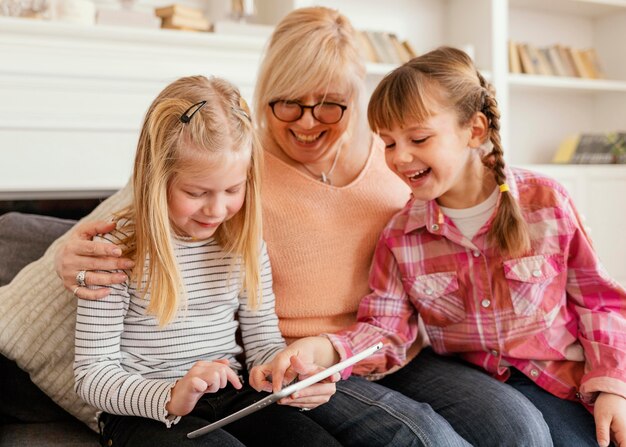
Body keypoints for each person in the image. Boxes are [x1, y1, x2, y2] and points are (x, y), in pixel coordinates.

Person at [57, 8, 551, 447]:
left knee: (517, 428)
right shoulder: (231, 166)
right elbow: (140, 216)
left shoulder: (396, 161)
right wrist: (68, 259)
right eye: (287, 103)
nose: (308, 122)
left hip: (384, 348)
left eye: (330, 104)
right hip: (292, 363)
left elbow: (468, 221)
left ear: (355, 99)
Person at [262, 46, 626, 447]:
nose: (400, 158)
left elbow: (599, 303)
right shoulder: (402, 234)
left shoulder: (546, 202)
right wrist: (321, 349)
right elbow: (386, 331)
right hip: (480, 385)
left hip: (568, 381)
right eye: (388, 143)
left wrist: (613, 386)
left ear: (475, 130)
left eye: (418, 138)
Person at [73, 75, 344, 447]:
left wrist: (290, 376)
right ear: (157, 178)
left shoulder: (243, 244)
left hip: (233, 397)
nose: (217, 209)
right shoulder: (114, 252)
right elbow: (92, 375)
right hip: (143, 413)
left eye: (233, 189)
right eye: (196, 192)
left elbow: (263, 346)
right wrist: (169, 396)